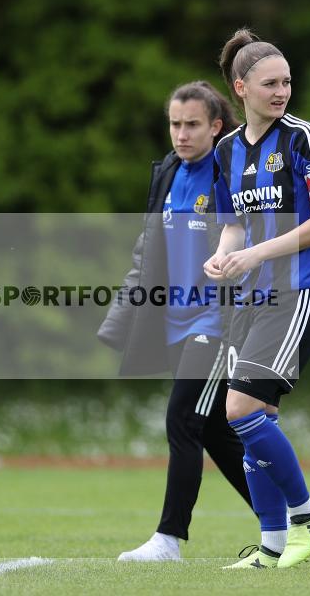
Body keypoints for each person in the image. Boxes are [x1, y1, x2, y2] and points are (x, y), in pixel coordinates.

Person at [204, 28, 310, 569]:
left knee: (239, 409)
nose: (282, 91)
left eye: (287, 82)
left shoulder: (306, 140)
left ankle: (307, 518)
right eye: (270, 83)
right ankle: (270, 546)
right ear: (241, 88)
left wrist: (255, 255)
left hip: (298, 292)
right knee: (255, 417)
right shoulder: (225, 151)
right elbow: (234, 225)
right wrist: (223, 256)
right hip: (252, 298)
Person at [98, 81, 254, 561]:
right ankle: (291, 517)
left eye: (192, 125)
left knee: (182, 420)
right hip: (173, 323)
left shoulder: (233, 173)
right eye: (174, 124)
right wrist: (120, 316)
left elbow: (255, 243)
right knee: (215, 433)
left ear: (216, 126)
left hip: (216, 322)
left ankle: (169, 539)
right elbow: (147, 253)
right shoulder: (167, 171)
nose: (181, 134)